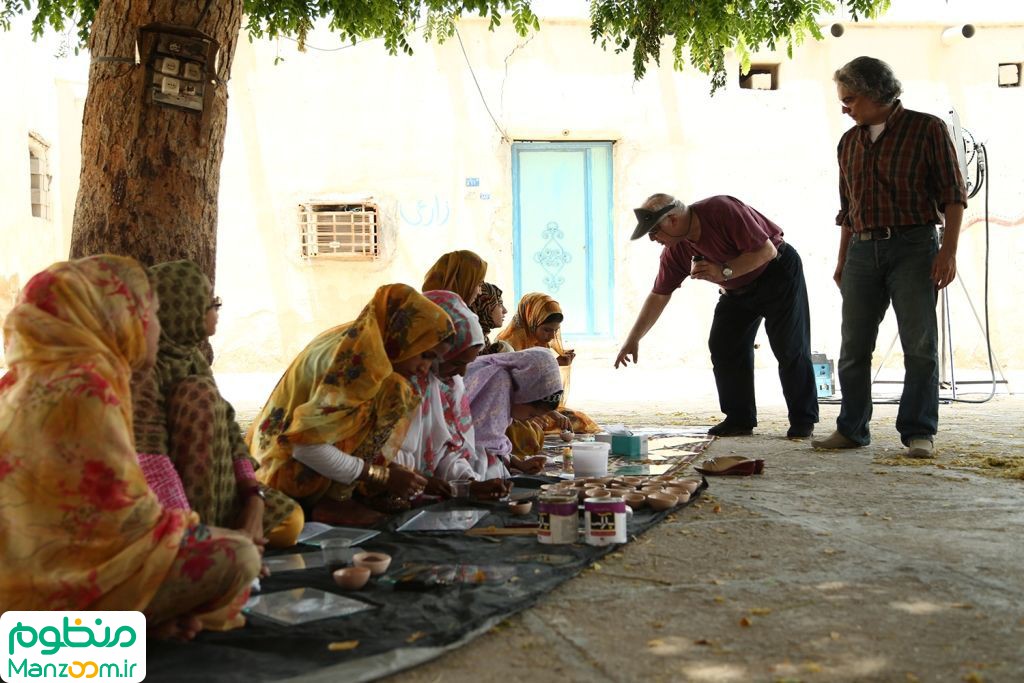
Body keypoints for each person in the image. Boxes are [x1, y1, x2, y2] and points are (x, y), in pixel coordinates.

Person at [0, 255, 260, 637]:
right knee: (238, 559)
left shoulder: (16, 382)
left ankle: (129, 628)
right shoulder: (88, 385)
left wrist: (250, 497)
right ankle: (100, 637)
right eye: (148, 313)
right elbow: (127, 513)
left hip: (20, 571)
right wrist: (185, 532)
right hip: (58, 582)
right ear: (116, 315)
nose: (153, 325)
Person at [812, 57, 967, 458]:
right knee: (853, 347)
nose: (844, 108)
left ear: (877, 92)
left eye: (850, 99)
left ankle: (918, 432)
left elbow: (953, 195)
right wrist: (843, 260)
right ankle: (851, 428)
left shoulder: (927, 129)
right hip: (862, 250)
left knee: (919, 345)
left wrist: (948, 251)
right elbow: (847, 209)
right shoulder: (848, 142)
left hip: (914, 247)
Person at [615, 193, 819, 439]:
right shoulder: (675, 250)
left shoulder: (721, 210)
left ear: (672, 219)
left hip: (777, 273)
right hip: (736, 289)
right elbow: (659, 294)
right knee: (724, 345)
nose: (652, 238)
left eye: (654, 231)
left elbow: (767, 252)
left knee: (789, 347)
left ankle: (802, 419)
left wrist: (723, 270)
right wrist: (633, 338)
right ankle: (739, 418)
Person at [248, 284, 454, 524]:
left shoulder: (364, 341)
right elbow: (304, 446)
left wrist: (395, 471)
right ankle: (335, 502)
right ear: (403, 335)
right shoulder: (360, 362)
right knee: (395, 391)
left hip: (290, 457)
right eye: (424, 355)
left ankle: (339, 496)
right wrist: (381, 475)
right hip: (280, 467)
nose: (424, 369)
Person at [133, 260, 303, 548]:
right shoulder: (144, 372)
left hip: (219, 487)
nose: (216, 310)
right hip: (170, 502)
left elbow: (228, 427)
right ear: (183, 310)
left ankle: (228, 533)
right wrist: (193, 534)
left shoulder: (192, 358)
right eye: (211, 303)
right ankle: (209, 538)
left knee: (292, 521)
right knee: (198, 396)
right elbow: (151, 461)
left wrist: (253, 498)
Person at [395, 290, 510, 500]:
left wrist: (469, 484)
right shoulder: (394, 385)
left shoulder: (441, 383)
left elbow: (444, 448)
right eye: (457, 362)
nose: (463, 373)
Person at [496, 292, 601, 440]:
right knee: (530, 431)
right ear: (531, 321)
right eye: (547, 330)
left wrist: (555, 363)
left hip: (535, 407)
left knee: (578, 420)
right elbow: (515, 390)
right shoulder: (506, 346)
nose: (552, 336)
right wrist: (538, 413)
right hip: (515, 409)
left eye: (555, 330)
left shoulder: (538, 343)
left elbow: (537, 382)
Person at [463, 347, 564, 479]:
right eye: (531, 415)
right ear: (525, 396)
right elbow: (482, 445)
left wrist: (518, 463)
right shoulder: (497, 384)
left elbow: (490, 444)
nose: (529, 420)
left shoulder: (505, 383)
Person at [422, 250, 488, 306]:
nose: (480, 292)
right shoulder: (463, 318)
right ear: (464, 282)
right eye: (479, 285)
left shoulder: (419, 303)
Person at [469, 281, 513, 355]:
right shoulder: (472, 342)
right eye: (500, 304)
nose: (505, 311)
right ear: (486, 306)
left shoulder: (484, 341)